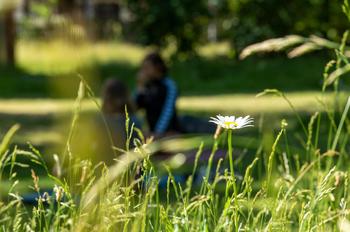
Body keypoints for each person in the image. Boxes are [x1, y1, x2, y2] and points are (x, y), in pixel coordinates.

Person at [135, 52, 180, 136]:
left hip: (168, 132)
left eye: (147, 68)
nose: (144, 72)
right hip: (153, 133)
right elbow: (135, 107)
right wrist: (140, 87)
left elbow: (168, 111)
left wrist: (157, 133)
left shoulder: (169, 85)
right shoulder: (147, 86)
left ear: (157, 67)